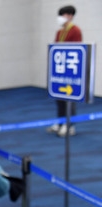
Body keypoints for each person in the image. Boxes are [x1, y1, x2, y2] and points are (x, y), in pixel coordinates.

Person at [47, 5, 82, 137]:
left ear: (70, 16)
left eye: (63, 15)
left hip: (70, 70)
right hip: (59, 70)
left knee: (70, 98)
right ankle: (60, 121)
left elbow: (76, 50)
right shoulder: (59, 32)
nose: (60, 18)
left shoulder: (75, 31)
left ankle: (70, 124)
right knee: (59, 97)